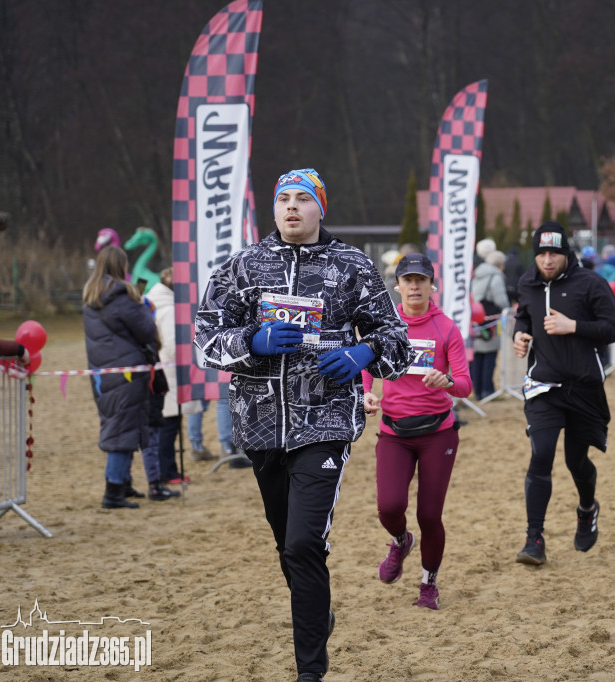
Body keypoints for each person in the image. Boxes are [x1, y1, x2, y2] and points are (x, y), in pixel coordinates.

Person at [194, 169, 411, 682]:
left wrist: (364, 351)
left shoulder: (353, 266)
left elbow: (397, 342)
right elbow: (205, 338)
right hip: (261, 427)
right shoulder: (244, 266)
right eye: (283, 199)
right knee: (287, 545)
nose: (292, 208)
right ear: (273, 210)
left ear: (321, 209)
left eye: (303, 200)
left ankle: (309, 671)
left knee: (304, 545)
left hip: (326, 422)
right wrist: (253, 341)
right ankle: (320, 615)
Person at [362, 253, 472, 611]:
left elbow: (466, 385)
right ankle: (399, 540)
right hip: (394, 431)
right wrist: (366, 392)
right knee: (389, 507)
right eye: (407, 280)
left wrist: (448, 381)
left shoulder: (446, 329)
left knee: (429, 515)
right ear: (397, 286)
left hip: (437, 433)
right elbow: (366, 363)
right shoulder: (385, 324)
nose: (413, 286)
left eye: (420, 280)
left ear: (431, 286)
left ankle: (429, 583)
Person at [512, 222, 615, 565]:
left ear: (566, 254)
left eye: (554, 254)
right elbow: (523, 317)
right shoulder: (527, 282)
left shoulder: (591, 283)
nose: (547, 260)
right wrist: (520, 335)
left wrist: (573, 326)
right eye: (542, 254)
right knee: (541, 454)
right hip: (543, 386)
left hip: (583, 387)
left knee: (576, 461)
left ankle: (587, 508)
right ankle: (534, 540)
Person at [82, 246, 159, 510]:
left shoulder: (91, 297)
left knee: (120, 424)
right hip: (126, 371)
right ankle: (113, 491)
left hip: (103, 373)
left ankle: (123, 482)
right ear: (120, 266)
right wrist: (144, 307)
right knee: (122, 429)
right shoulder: (122, 296)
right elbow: (147, 331)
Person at [141, 267, 183, 501]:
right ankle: (168, 471)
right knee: (169, 423)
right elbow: (172, 345)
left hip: (163, 370)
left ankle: (166, 470)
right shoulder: (168, 309)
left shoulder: (157, 303)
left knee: (167, 423)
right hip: (169, 371)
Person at [470, 249, 510, 401]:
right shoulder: (495, 276)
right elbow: (501, 299)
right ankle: (488, 389)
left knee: (478, 355)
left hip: (476, 318)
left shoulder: (476, 275)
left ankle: (478, 390)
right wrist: (506, 309)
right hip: (490, 320)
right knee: (490, 355)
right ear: (499, 264)